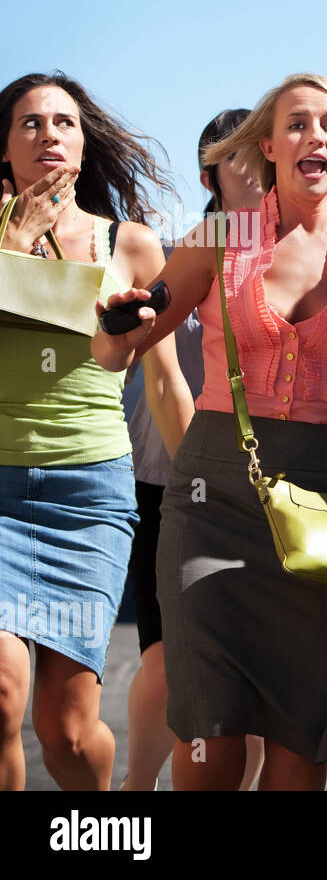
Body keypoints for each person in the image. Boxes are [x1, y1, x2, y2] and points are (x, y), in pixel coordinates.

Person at [90, 73, 327, 790]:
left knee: (296, 740)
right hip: (209, 501)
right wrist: (115, 322)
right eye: (297, 124)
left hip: (318, 513)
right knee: (212, 739)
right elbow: (117, 349)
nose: (316, 136)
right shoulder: (220, 237)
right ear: (267, 147)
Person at [0, 72, 191, 790]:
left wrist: (208, 488)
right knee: (1, 691)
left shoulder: (133, 246)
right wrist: (11, 251)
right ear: (5, 144)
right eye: (29, 122)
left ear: (84, 142)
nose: (49, 132)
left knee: (69, 732)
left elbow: (165, 384)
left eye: (64, 121)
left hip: (86, 501)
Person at [120, 108, 266, 791]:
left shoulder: (301, 260)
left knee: (262, 677)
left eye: (268, 153)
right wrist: (202, 488)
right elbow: (156, 381)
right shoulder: (187, 256)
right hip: (171, 487)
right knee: (167, 661)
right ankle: (133, 790)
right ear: (212, 172)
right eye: (242, 158)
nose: (261, 170)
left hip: (273, 493)